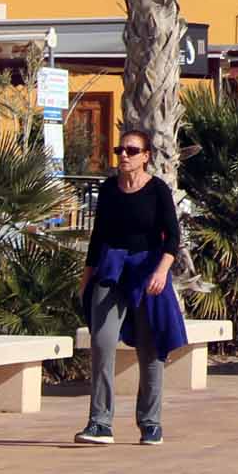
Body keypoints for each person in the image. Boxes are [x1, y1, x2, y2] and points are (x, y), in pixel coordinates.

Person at [76, 128, 184, 446]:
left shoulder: (158, 191)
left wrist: (162, 273)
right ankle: (100, 423)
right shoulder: (109, 190)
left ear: (146, 156)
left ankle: (151, 424)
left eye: (132, 151)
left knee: (149, 350)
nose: (124, 155)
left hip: (148, 272)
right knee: (102, 342)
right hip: (110, 269)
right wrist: (85, 281)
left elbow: (173, 238)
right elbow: (97, 238)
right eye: (120, 150)